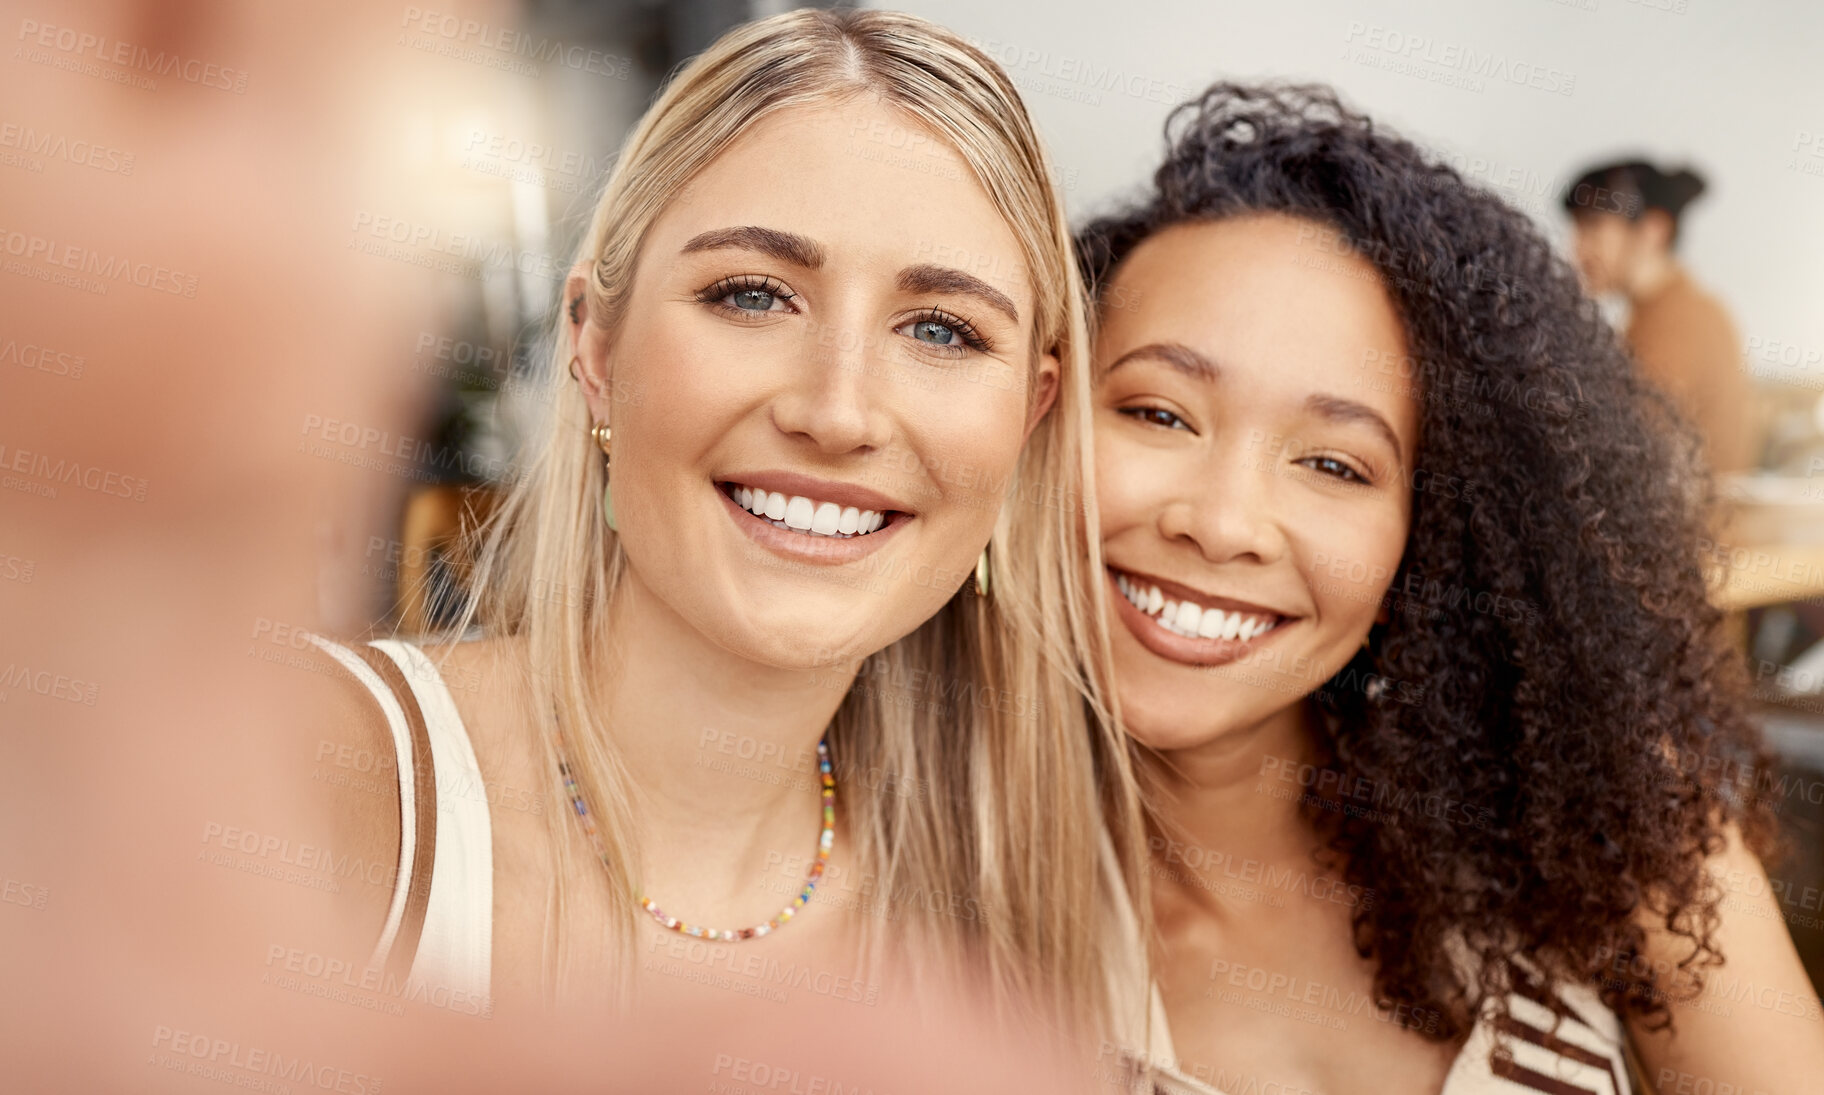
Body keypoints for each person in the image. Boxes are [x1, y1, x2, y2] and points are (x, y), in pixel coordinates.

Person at [297, 6, 1144, 1039]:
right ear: (597, 353)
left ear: (1031, 413)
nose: (836, 412)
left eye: (940, 329)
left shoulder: (1013, 941)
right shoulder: (317, 779)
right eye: (752, 296)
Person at [1080, 83, 1824, 1094]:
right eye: (1161, 414)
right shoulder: (888, 886)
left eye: (1337, 465)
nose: (1219, 521)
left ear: (1423, 545)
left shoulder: (1603, 816)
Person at [1564, 159, 1757, 473]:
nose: (1577, 248)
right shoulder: (1672, 310)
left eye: (1592, 227)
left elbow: (1622, 451)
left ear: (1653, 230)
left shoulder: (1678, 322)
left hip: (1684, 521)